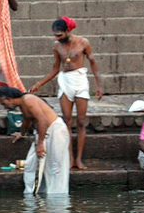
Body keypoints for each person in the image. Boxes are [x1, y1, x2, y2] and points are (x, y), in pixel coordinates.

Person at [29, 17, 103, 170]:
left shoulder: (83, 42)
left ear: (68, 31)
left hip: (80, 80)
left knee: (81, 122)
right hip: (65, 81)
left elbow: (93, 63)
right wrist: (39, 84)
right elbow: (55, 69)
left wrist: (99, 85)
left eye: (60, 35)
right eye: (55, 35)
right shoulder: (57, 46)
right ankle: (69, 159)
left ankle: (79, 159)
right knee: (67, 122)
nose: (57, 38)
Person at [0, 87, 70, 196]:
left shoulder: (28, 99)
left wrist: (40, 144)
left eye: (4, 103)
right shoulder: (23, 104)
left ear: (9, 99)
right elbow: (27, 119)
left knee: (55, 167)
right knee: (30, 164)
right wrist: (22, 134)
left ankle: (57, 198)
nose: (4, 107)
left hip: (55, 131)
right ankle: (33, 193)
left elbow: (42, 120)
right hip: (43, 133)